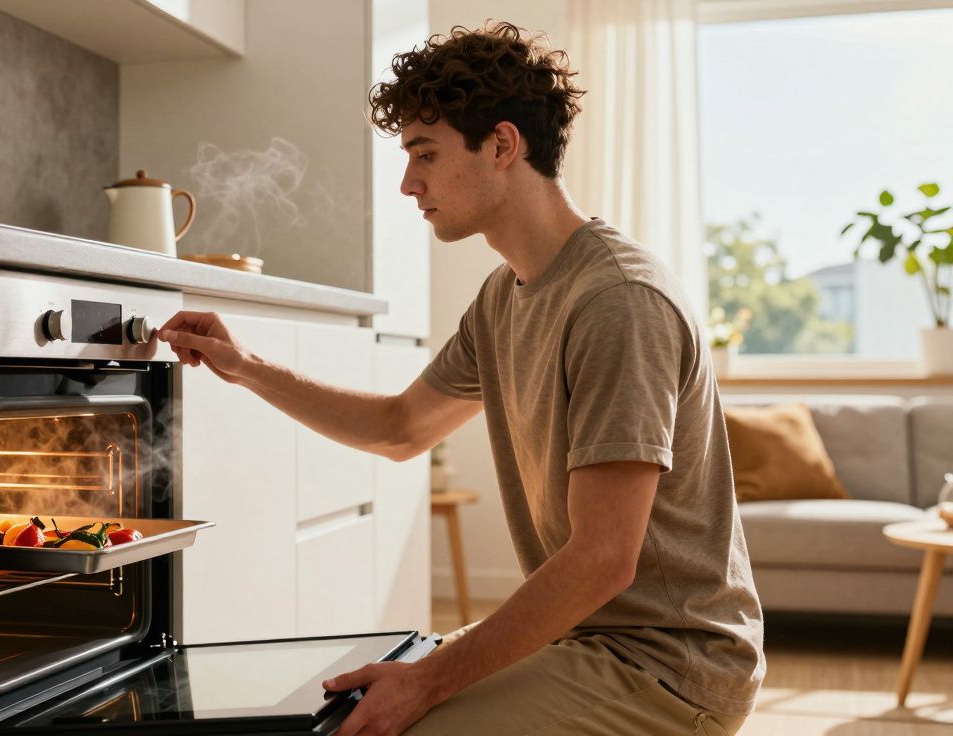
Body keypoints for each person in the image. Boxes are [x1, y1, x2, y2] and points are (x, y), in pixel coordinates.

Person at [157, 21, 764, 736]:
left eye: (425, 154)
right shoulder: (506, 296)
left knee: (394, 722)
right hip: (591, 641)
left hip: (669, 668)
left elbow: (604, 561)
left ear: (502, 146)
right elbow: (400, 427)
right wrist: (247, 368)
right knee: (348, 711)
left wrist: (427, 684)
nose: (409, 183)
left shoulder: (617, 303)